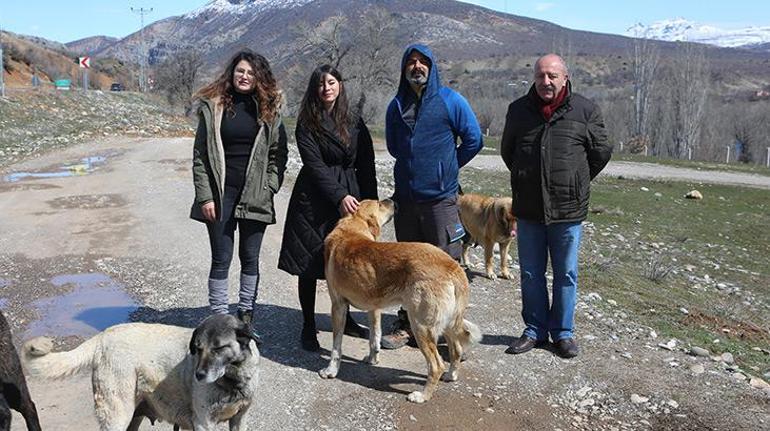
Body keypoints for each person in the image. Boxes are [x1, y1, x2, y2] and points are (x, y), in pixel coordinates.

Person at [500, 54, 612, 358]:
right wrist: (527, 177)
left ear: (565, 77)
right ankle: (534, 330)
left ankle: (563, 333)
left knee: (566, 274)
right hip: (529, 208)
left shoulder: (585, 110)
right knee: (531, 274)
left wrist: (576, 180)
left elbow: (601, 152)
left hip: (567, 209)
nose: (545, 82)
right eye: (540, 76)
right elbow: (508, 153)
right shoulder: (518, 111)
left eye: (552, 76)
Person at [381, 44, 483, 350]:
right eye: (410, 61)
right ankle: (407, 324)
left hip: (441, 201)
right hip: (407, 200)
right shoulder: (396, 105)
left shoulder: (450, 101)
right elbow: (394, 147)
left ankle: (451, 335)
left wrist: (447, 168)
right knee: (408, 267)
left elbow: (474, 139)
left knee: (445, 266)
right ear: (404, 69)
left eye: (423, 61)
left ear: (432, 66)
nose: (416, 66)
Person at [190, 50, 288, 344]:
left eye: (250, 73)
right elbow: (200, 157)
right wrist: (205, 196)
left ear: (259, 77)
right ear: (231, 74)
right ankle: (220, 320)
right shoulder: (215, 107)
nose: (244, 77)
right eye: (240, 71)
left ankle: (245, 320)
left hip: (255, 194)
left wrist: (270, 185)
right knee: (221, 259)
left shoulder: (269, 108)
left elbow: (278, 153)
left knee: (250, 259)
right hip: (221, 196)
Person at [278, 65, 378, 352]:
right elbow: (315, 165)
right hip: (314, 198)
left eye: (331, 82)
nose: (326, 88)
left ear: (340, 85)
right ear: (314, 88)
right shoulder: (307, 123)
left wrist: (369, 205)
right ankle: (308, 325)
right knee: (309, 265)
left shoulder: (354, 121)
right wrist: (339, 196)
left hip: (351, 196)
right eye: (321, 83)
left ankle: (345, 320)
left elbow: (367, 163)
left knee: (347, 264)